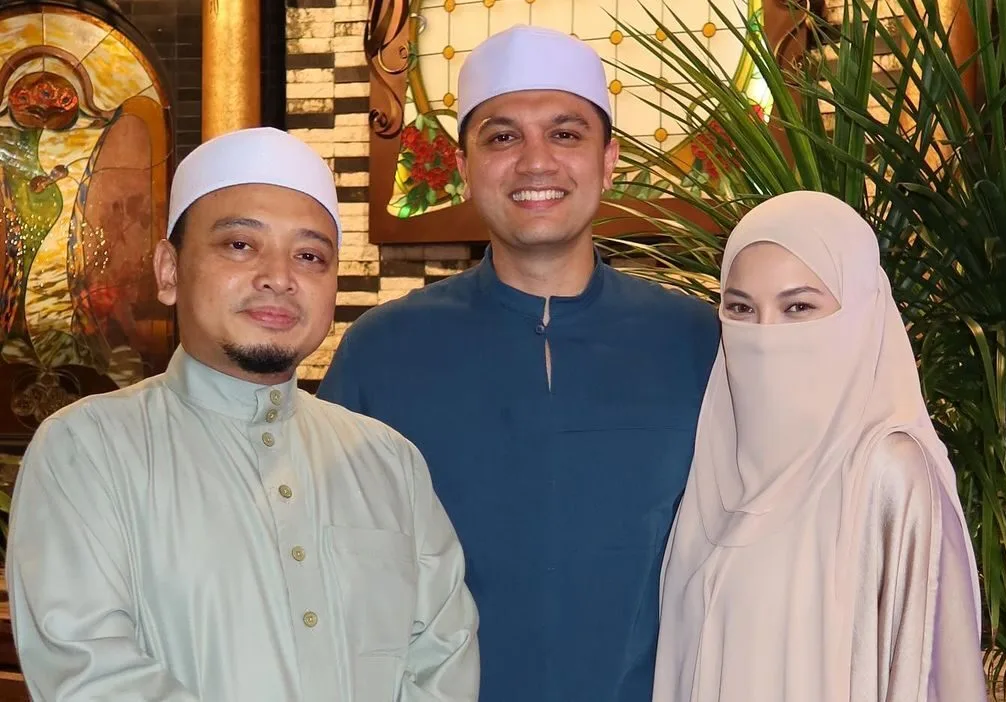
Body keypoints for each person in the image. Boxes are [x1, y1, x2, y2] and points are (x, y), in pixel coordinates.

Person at [5, 127, 480, 702]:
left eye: (309, 256)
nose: (279, 277)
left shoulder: (389, 462)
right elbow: (90, 674)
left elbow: (442, 660)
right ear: (169, 270)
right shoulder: (85, 450)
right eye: (239, 245)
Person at [317, 25, 720, 702]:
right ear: (464, 165)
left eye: (565, 134)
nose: (536, 162)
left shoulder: (698, 342)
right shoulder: (383, 349)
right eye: (502, 137)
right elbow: (326, 568)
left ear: (609, 160)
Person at [652, 191, 986, 702]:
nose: (765, 335)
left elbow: (930, 677)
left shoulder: (887, 473)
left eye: (798, 307)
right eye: (741, 308)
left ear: (860, 312)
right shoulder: (717, 475)